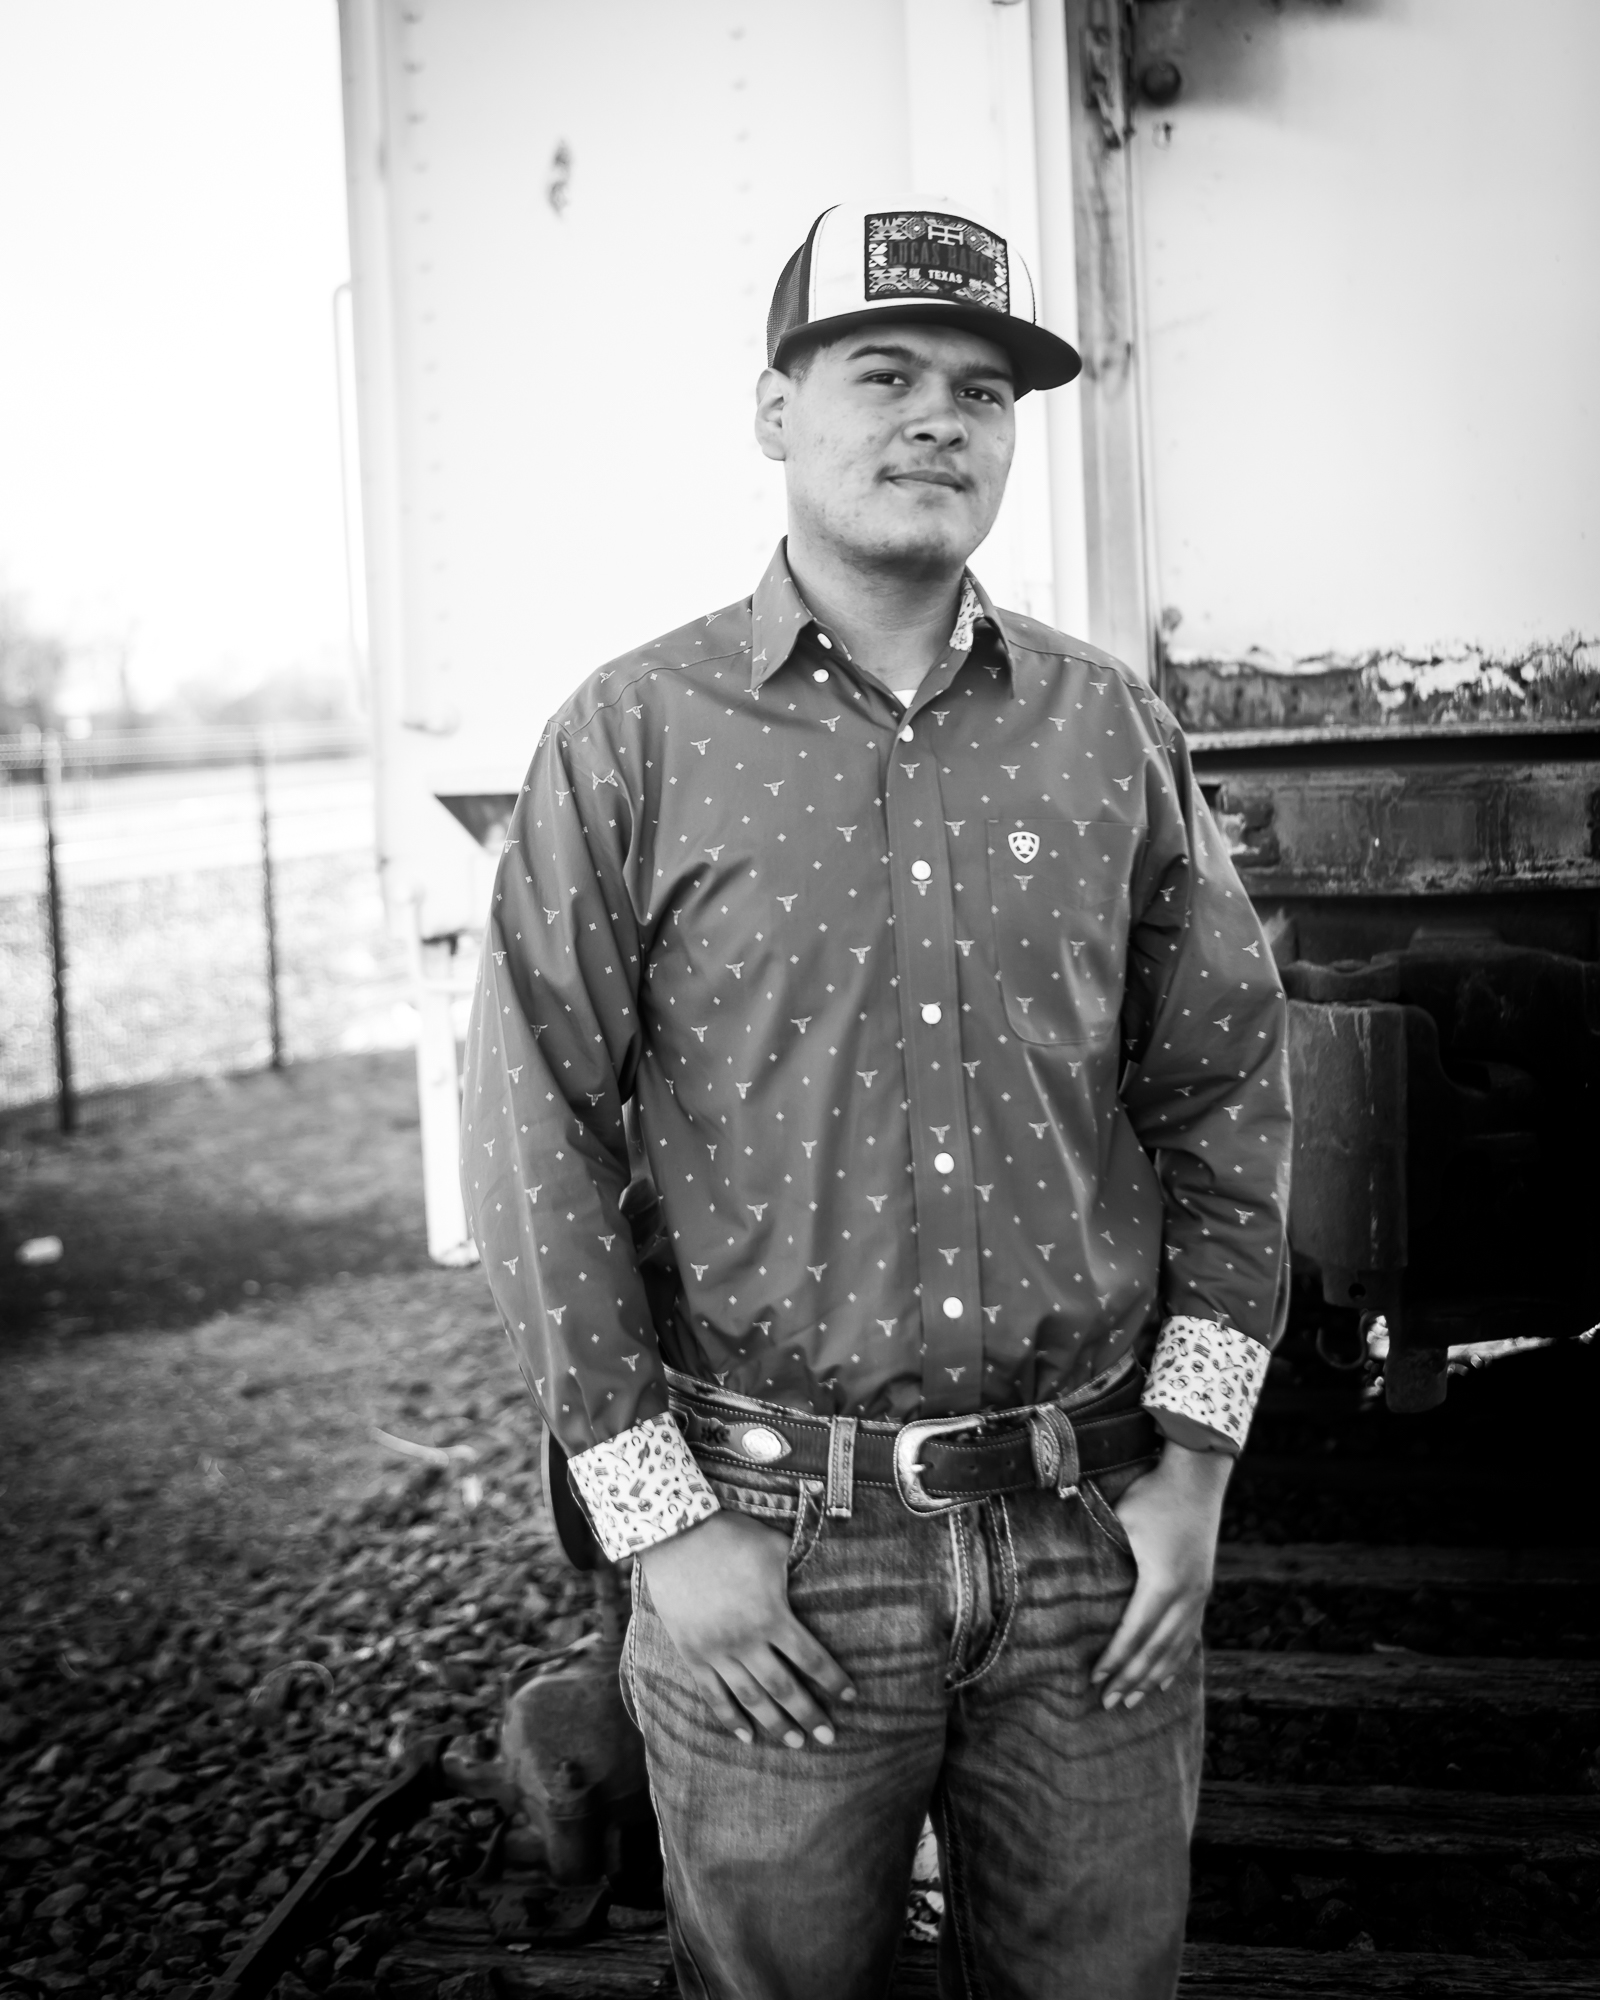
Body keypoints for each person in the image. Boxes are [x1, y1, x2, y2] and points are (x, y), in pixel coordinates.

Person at [461, 197, 1292, 2000]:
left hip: (1089, 1550)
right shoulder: (632, 735)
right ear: (776, 411)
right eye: (885, 373)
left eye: (982, 392)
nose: (939, 419)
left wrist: (1199, 1466)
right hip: (775, 1562)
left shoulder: (1110, 731)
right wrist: (664, 1528)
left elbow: (1226, 1091)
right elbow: (534, 1135)